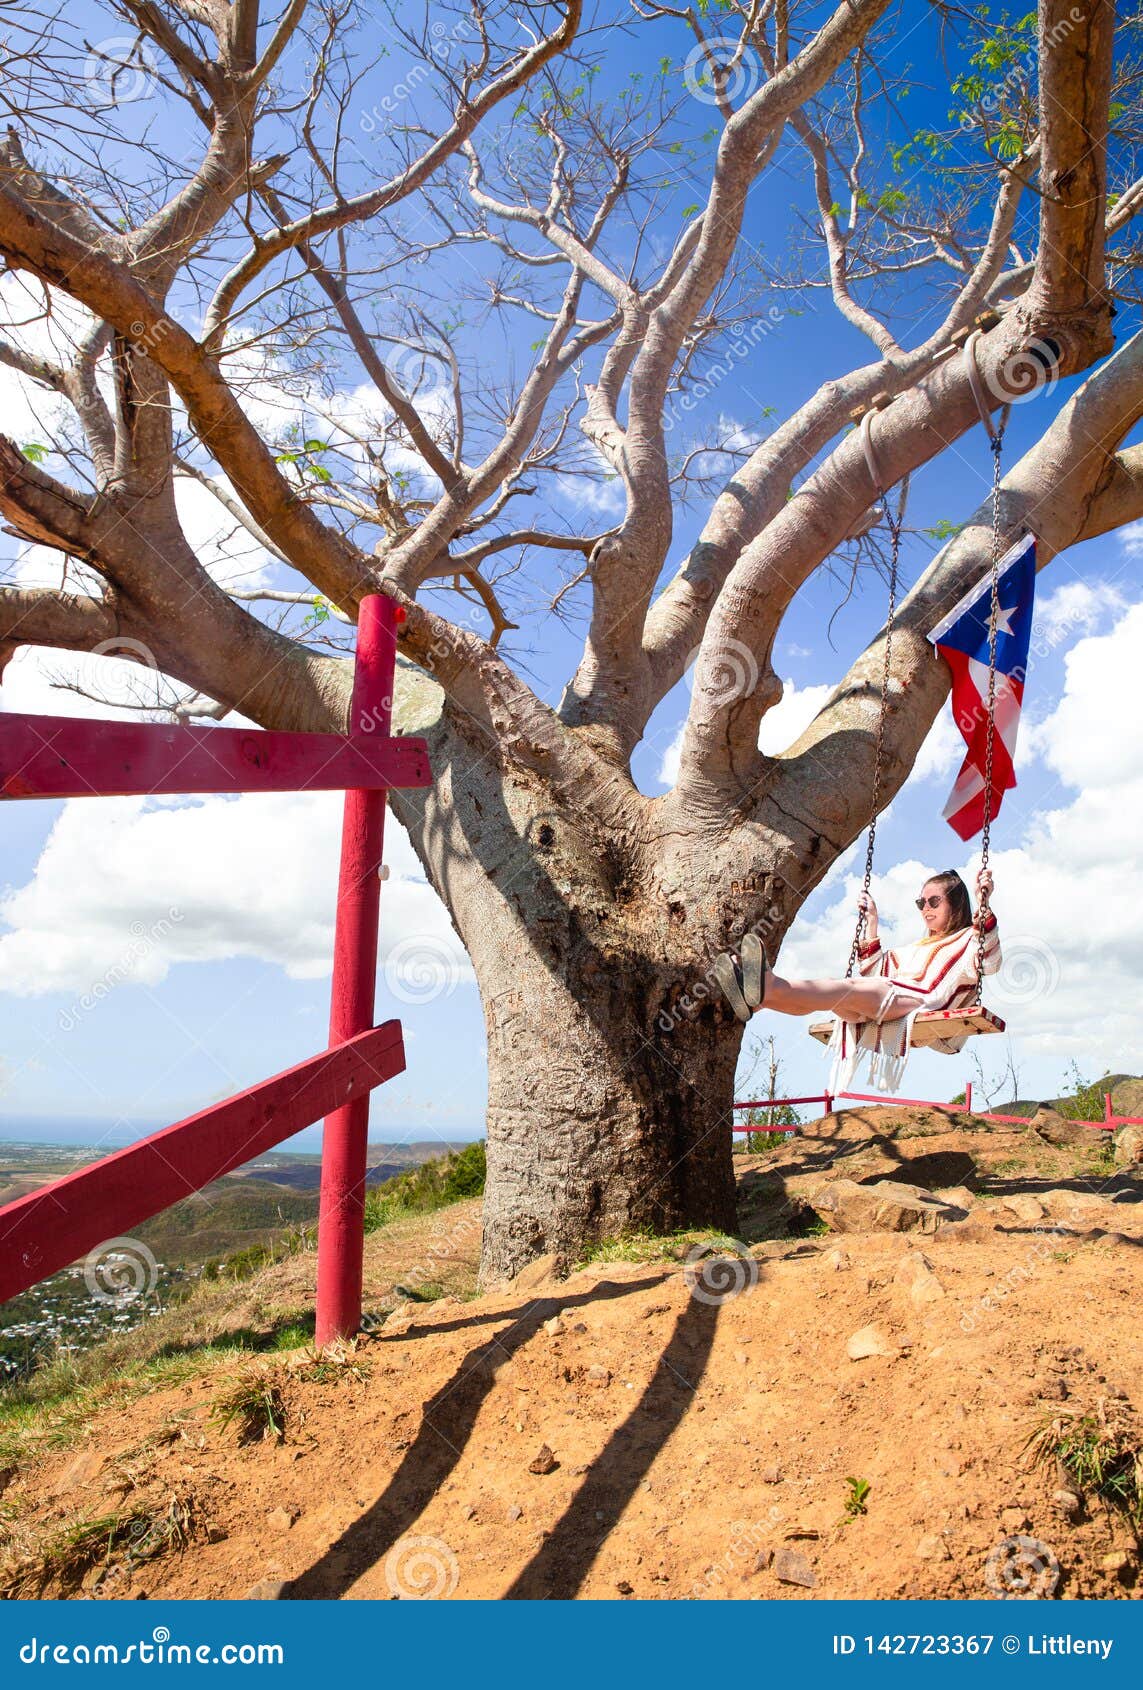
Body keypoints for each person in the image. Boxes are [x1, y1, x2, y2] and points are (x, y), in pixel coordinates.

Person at [714, 867, 1001, 1092]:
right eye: (921, 902)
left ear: (956, 903)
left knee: (846, 987)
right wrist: (872, 921)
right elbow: (875, 972)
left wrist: (983, 902)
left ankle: (766, 986)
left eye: (934, 901)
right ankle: (759, 1000)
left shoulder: (968, 938)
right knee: (831, 994)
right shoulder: (916, 948)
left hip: (919, 1004)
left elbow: (990, 962)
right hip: (892, 998)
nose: (926, 907)